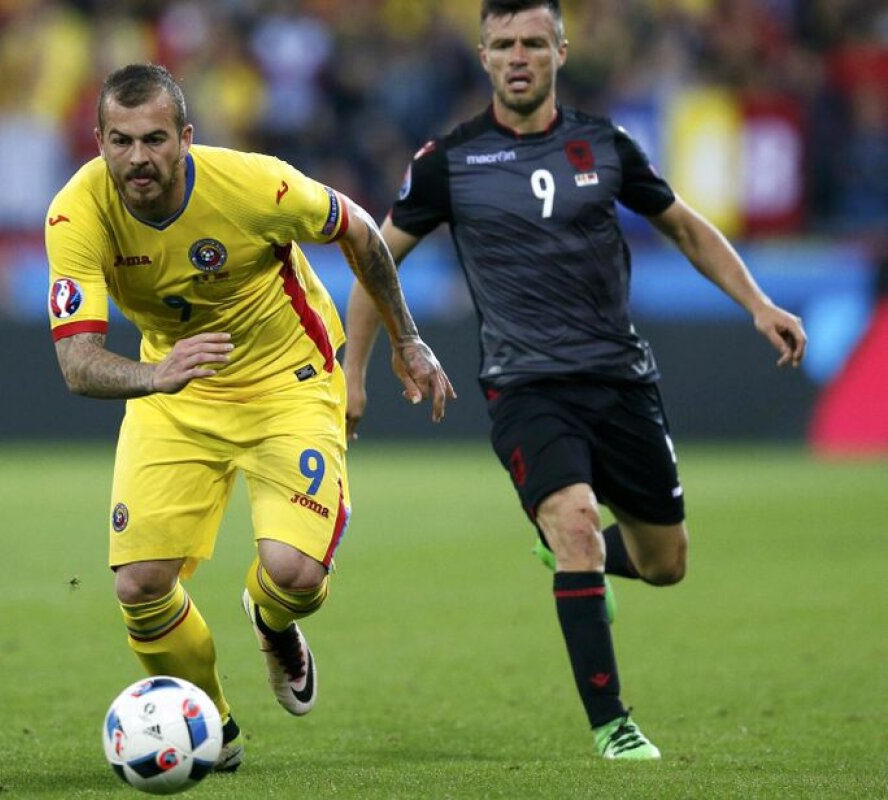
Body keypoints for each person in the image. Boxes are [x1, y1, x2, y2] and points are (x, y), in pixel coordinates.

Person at [343, 0, 807, 760]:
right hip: (526, 388)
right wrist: (358, 369)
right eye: (502, 44)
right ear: (483, 55)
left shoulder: (605, 144)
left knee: (667, 564)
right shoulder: (449, 162)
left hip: (620, 380)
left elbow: (684, 225)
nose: (518, 56)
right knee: (577, 526)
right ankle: (612, 723)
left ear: (560, 49)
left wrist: (757, 304)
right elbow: (372, 258)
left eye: (533, 42)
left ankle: (571, 558)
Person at [45, 63, 454, 772]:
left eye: (155, 139)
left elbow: (359, 232)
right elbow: (78, 365)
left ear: (187, 138)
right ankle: (214, 731)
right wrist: (156, 375)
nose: (138, 158)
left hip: (287, 382)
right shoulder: (74, 214)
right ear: (99, 141)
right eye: (120, 141)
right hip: (176, 389)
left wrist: (405, 338)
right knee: (139, 586)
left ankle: (271, 619)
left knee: (293, 573)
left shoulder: (254, 185)